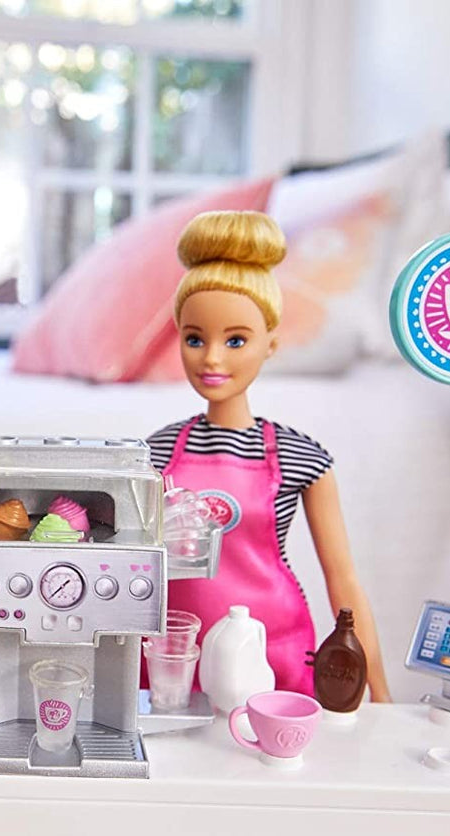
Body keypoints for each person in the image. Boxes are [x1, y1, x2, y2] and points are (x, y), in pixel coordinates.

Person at [148, 211, 390, 702]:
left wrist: (381, 695)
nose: (212, 358)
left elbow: (342, 578)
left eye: (236, 340)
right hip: (176, 654)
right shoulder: (156, 452)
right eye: (195, 339)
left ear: (271, 344)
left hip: (272, 649)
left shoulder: (301, 456)